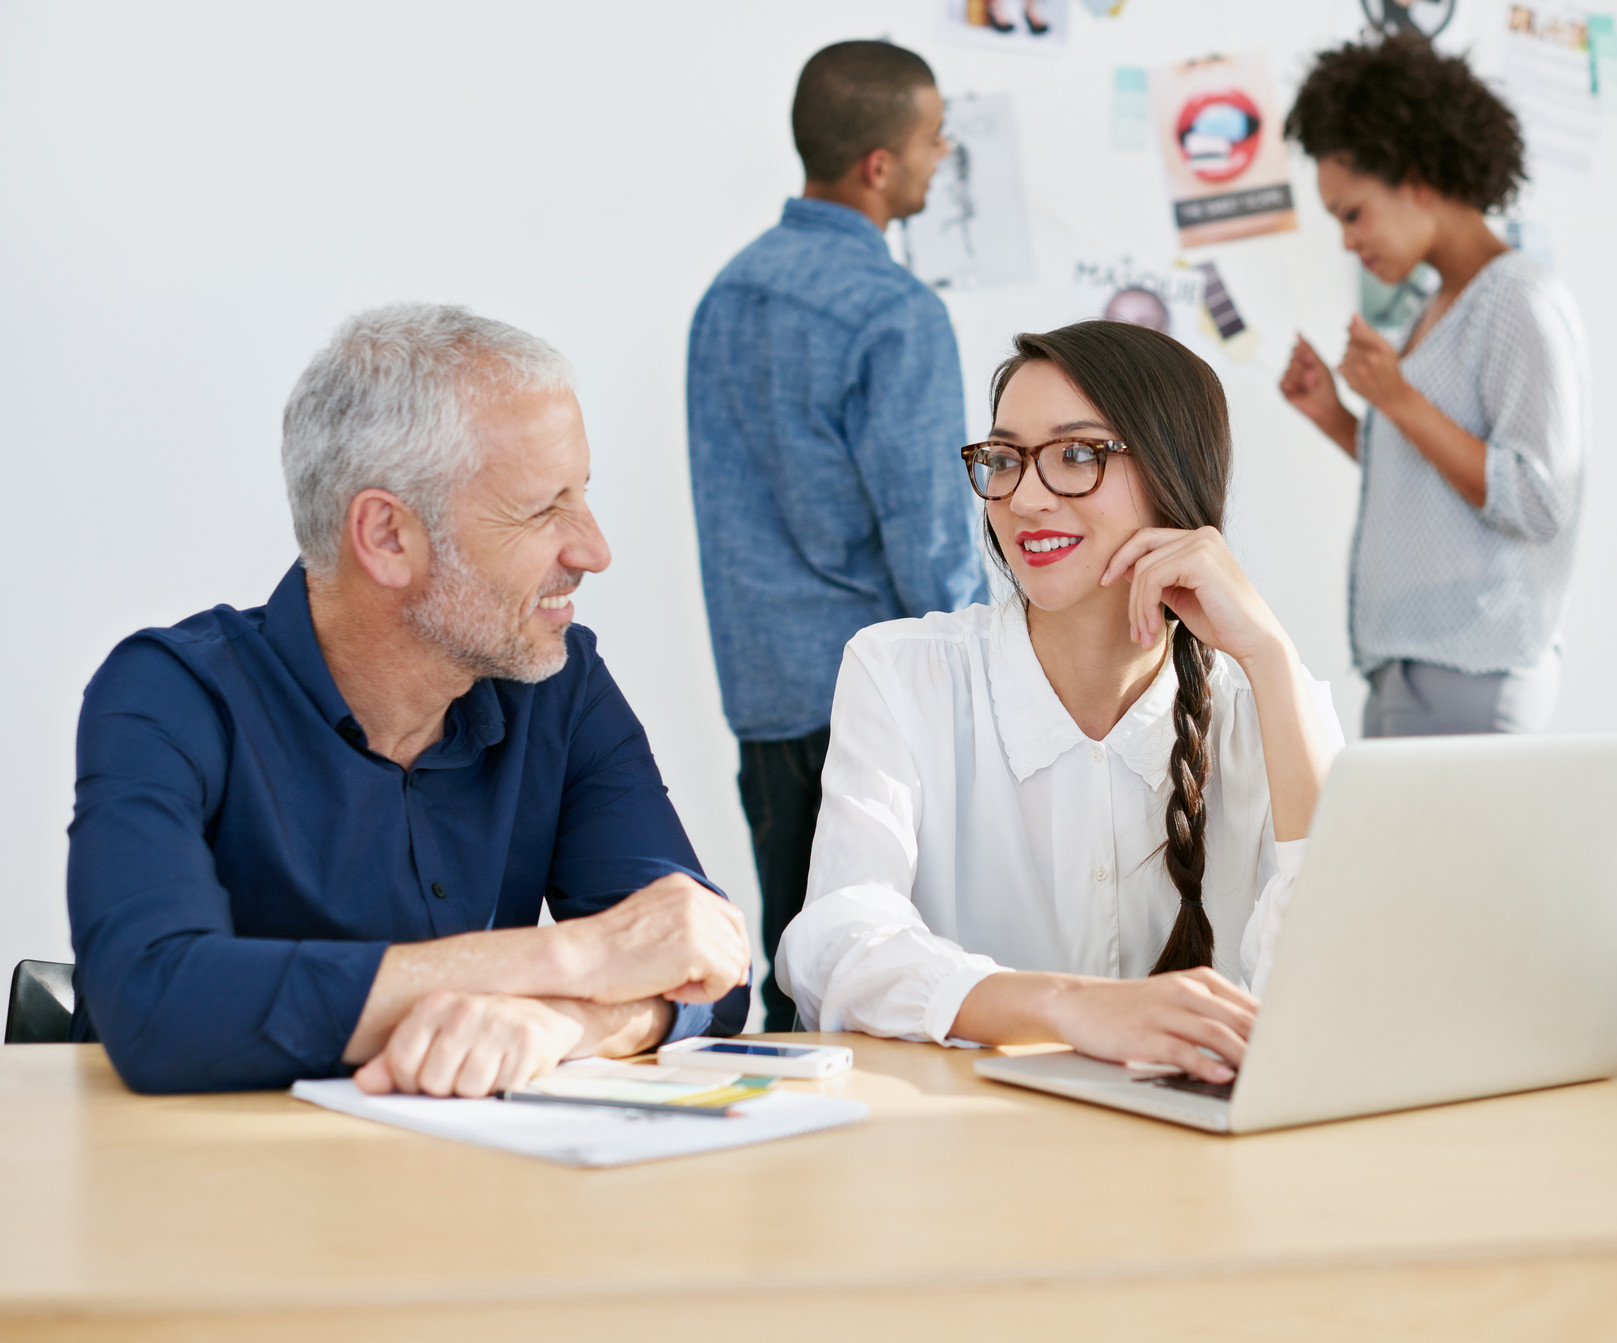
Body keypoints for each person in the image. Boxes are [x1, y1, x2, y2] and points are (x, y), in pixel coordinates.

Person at [68, 304, 751, 1095]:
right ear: (388, 535)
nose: (593, 550)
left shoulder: (561, 685)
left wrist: (563, 1024)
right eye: (542, 509)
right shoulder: (167, 692)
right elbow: (157, 1005)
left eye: (583, 494)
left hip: (458, 1193)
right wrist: (564, 958)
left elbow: (702, 963)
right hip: (200, 1192)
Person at [777, 321, 1345, 1084]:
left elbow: (1343, 984)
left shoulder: (1267, 699)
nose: (1026, 498)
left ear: (1175, 473)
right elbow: (836, 946)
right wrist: (1074, 1007)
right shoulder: (902, 672)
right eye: (1005, 459)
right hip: (976, 1161)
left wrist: (1272, 656)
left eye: (1077, 455)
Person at [687, 40, 987, 1030]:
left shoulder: (724, 294)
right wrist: (995, 673)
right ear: (878, 165)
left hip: (767, 700)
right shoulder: (895, 312)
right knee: (911, 980)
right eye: (931, 139)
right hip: (879, 704)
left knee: (802, 969)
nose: (940, 157)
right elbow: (930, 539)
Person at [1278, 35, 1590, 737]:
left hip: (1474, 667)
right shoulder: (1440, 304)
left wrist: (1398, 399)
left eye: (1352, 213)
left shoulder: (1517, 299)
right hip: (1414, 667)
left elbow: (1537, 500)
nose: (1347, 241)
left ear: (1415, 175)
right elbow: (1433, 485)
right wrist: (1338, 417)